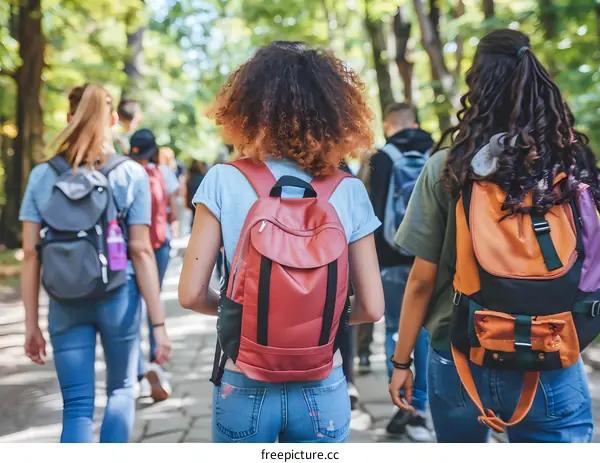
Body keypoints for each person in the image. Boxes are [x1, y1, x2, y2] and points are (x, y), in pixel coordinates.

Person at [389, 29, 600, 443]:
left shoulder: (449, 168)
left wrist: (400, 363)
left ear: (477, 87)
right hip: (551, 347)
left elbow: (421, 282)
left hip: (460, 353)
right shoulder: (570, 169)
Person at [179, 41, 385, 443]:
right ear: (335, 112)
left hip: (244, 379)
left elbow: (189, 295)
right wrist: (312, 322)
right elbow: (373, 307)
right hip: (322, 382)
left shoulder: (224, 180)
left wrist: (243, 317)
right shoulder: (349, 190)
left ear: (249, 108)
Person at [20, 84, 171, 443]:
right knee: (120, 391)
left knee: (76, 405)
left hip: (64, 300)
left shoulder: (43, 175)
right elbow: (141, 251)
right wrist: (159, 323)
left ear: (68, 118)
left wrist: (31, 325)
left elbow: (30, 254)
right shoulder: (130, 173)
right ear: (115, 120)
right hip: (118, 295)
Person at [369, 102, 433, 441]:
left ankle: (402, 402)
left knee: (397, 330)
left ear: (389, 125)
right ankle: (421, 409)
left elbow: (374, 211)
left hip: (392, 260)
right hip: (432, 259)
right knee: (428, 332)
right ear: (416, 122)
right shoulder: (439, 150)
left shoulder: (383, 157)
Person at [127, 129, 178, 402]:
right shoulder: (161, 173)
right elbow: (171, 204)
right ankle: (154, 363)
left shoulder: (121, 172)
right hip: (157, 246)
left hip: (130, 248)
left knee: (132, 304)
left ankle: (136, 372)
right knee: (152, 301)